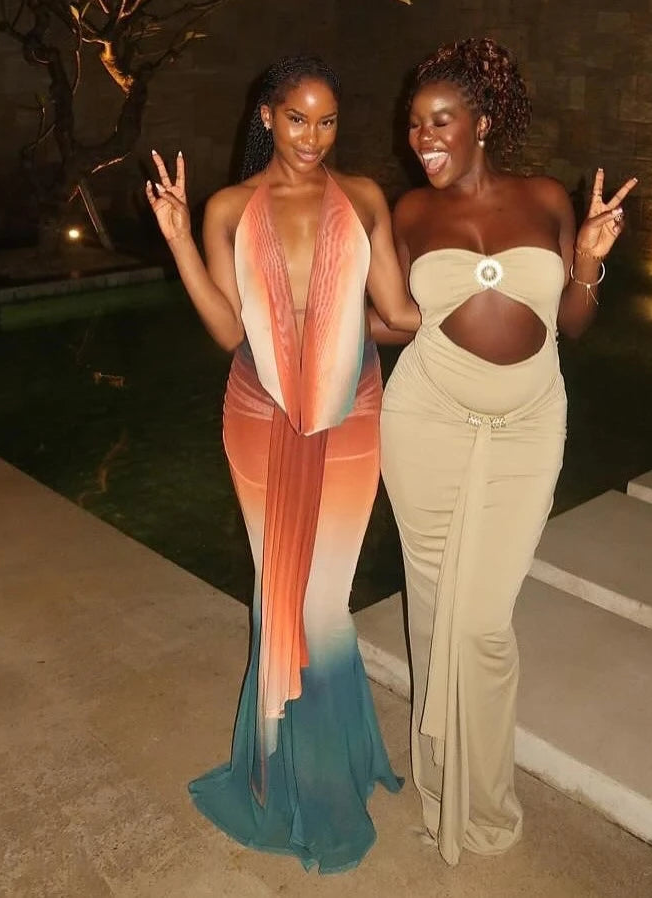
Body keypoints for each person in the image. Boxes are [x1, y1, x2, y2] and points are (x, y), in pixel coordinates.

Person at [145, 54, 420, 873]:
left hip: (350, 415)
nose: (313, 135)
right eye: (297, 118)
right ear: (266, 116)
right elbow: (232, 331)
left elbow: (399, 314)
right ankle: (279, 771)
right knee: (280, 596)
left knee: (325, 606)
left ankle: (326, 773)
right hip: (260, 417)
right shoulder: (229, 208)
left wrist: (476, 292)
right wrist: (177, 238)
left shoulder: (365, 197)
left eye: (328, 119)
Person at [380, 37, 637, 866]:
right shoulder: (409, 215)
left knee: (482, 623)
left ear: (482, 124)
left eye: (441, 119)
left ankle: (483, 803)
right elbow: (388, 318)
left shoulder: (546, 199)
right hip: (426, 421)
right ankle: (437, 789)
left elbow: (572, 322)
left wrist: (591, 262)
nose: (423, 137)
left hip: (527, 426)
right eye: (415, 123)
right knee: (432, 615)